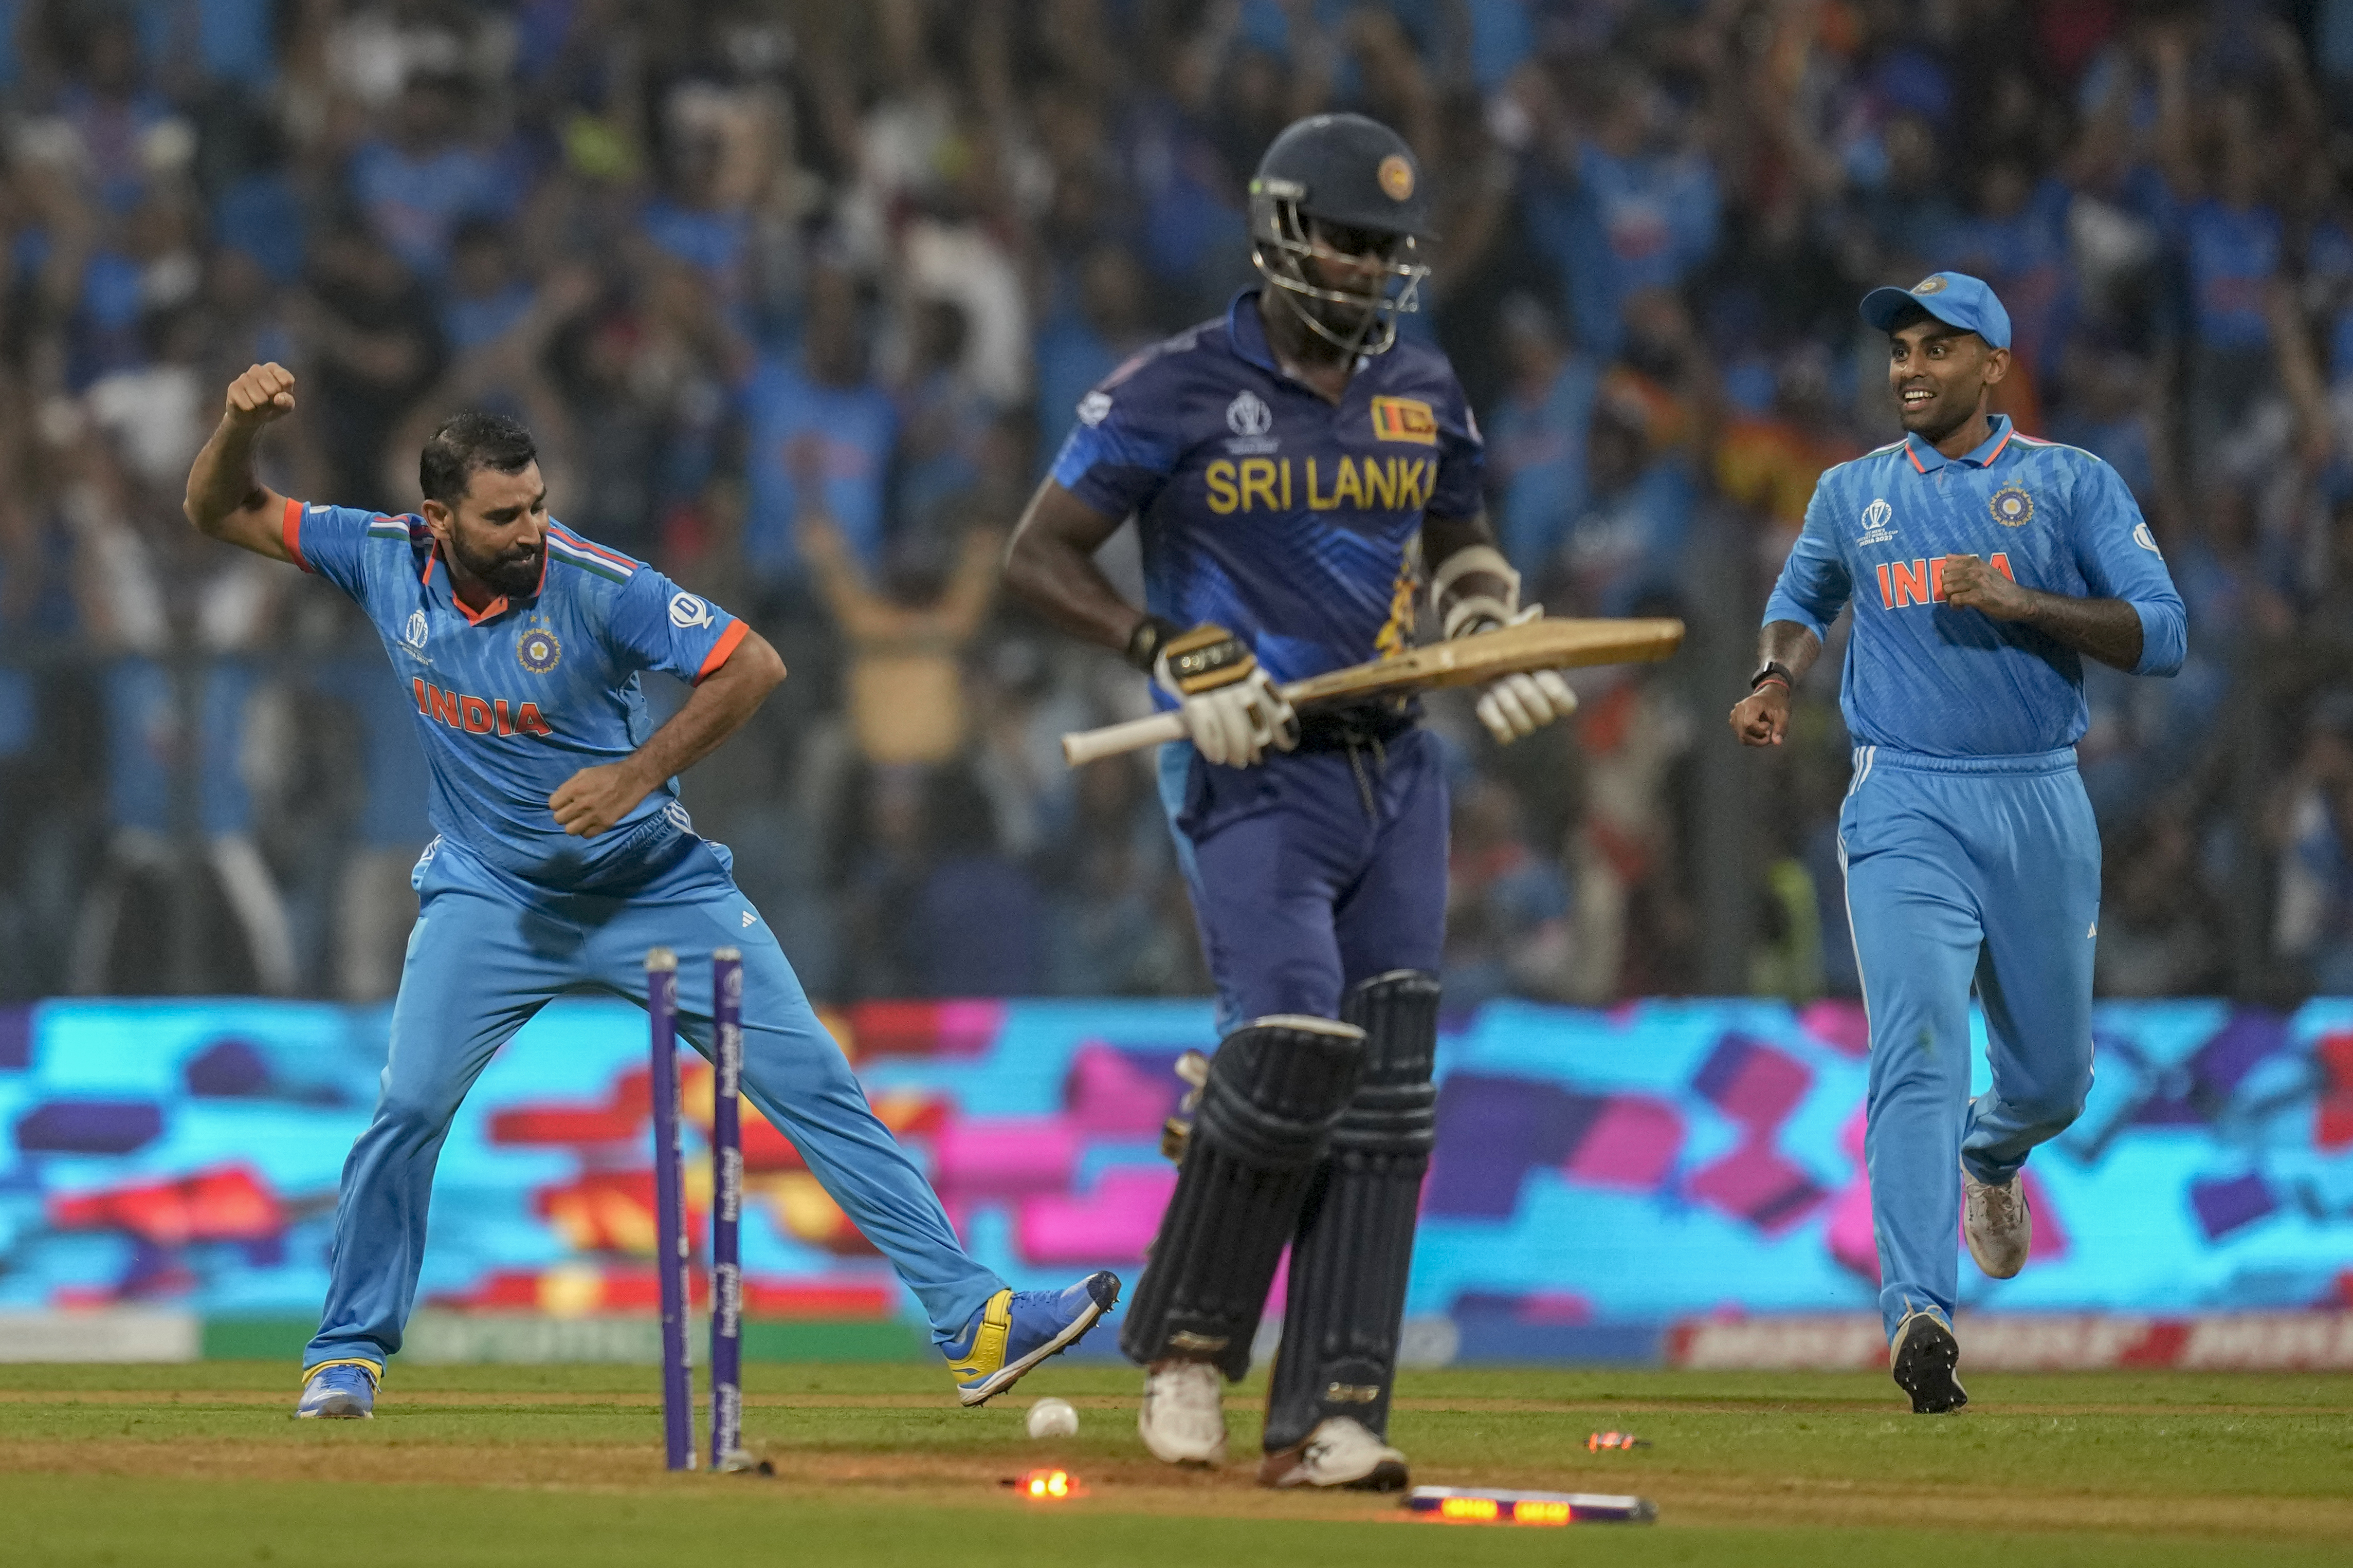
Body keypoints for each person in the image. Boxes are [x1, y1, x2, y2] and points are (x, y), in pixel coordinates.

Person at [183, 364, 1115, 1420]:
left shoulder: (597, 584)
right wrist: (238, 425)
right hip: (491, 900)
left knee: (815, 1082)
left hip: (653, 889)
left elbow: (752, 665)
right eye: (503, 517)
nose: (532, 531)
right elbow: (220, 508)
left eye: (538, 505)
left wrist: (634, 776)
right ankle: (346, 1353)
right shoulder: (381, 555)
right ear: (437, 520)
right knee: (406, 1109)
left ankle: (973, 1318)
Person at [1005, 114, 1579, 1489]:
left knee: (1387, 1088)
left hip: (1399, 765)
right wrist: (1163, 647)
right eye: (1349, 242)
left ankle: (1332, 1411)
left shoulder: (1423, 385)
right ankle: (1189, 1346)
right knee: (1294, 1039)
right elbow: (1039, 555)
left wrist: (1486, 622)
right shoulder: (1175, 387)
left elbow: (1463, 541)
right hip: (1248, 755)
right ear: (1279, 233)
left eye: (1389, 249)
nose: (1372, 270)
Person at [1730, 273, 2186, 1412]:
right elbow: (1801, 600)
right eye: (1900, 349)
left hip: (2038, 798)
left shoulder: (2069, 482)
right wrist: (1777, 678)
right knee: (1919, 1042)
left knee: (2056, 1081)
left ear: (1994, 365)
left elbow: (2164, 633)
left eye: (1939, 347)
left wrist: (2028, 603)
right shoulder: (1851, 492)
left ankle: (1995, 1153)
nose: (1911, 368)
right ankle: (1917, 1311)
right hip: (1902, 798)